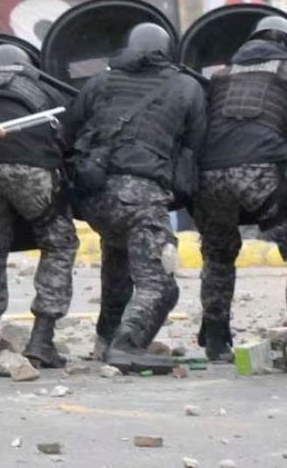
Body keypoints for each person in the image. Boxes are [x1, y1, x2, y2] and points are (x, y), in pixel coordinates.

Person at [67, 23, 207, 374]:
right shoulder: (186, 86)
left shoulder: (100, 82)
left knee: (117, 260)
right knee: (159, 283)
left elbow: (69, 131)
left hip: (96, 198)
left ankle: (105, 339)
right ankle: (127, 345)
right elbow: (193, 149)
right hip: (142, 195)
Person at [193, 17, 287, 361]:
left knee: (219, 255)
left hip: (209, 176)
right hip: (261, 173)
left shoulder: (219, 76)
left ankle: (217, 338)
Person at [0, 44, 79, 367]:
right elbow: (71, 139)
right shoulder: (43, 86)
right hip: (31, 168)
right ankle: (42, 339)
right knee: (59, 242)